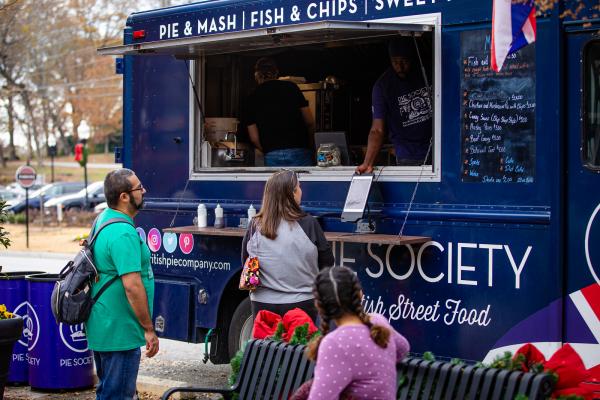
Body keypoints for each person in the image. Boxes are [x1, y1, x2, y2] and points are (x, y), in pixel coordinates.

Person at [85, 168, 159, 400]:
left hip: (104, 325)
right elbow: (132, 285)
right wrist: (148, 329)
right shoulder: (123, 233)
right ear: (124, 196)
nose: (144, 190)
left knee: (108, 391)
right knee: (118, 395)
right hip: (120, 330)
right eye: (139, 187)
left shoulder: (103, 219)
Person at [300, 266, 410, 399]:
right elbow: (403, 348)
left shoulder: (334, 343)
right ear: (360, 295)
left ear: (319, 305)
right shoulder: (378, 322)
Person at [241, 169, 334, 321]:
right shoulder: (309, 223)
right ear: (292, 193)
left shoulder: (254, 225)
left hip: (262, 305)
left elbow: (246, 261)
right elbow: (327, 263)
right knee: (300, 345)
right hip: (303, 304)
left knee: (266, 345)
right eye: (299, 187)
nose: (301, 191)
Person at [356, 38, 433, 174]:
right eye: (395, 62)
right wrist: (367, 163)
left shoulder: (429, 73)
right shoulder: (382, 86)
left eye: (404, 61)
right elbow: (377, 130)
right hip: (407, 154)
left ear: (412, 58)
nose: (400, 67)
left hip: (438, 150)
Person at [245, 57, 316, 166]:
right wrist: (310, 145)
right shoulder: (292, 88)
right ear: (276, 72)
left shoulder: (252, 97)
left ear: (256, 75)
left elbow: (254, 138)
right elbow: (310, 122)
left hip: (272, 154)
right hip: (299, 150)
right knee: (302, 183)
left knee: (277, 183)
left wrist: (267, 150)